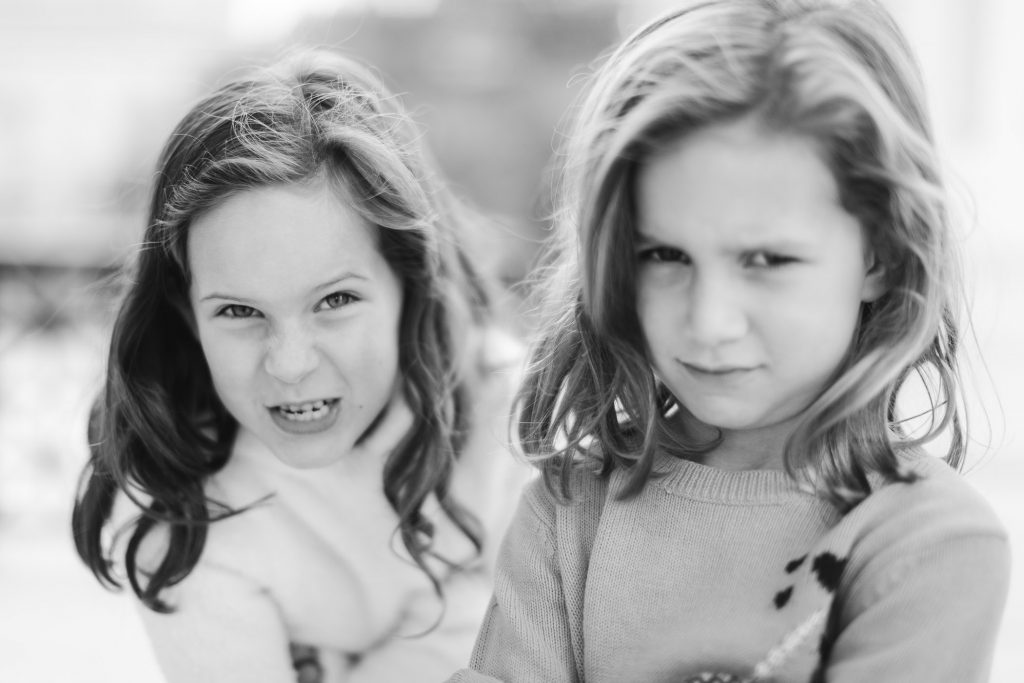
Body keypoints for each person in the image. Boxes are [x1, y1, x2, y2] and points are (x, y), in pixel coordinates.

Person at [451, 1, 1011, 681]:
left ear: (881, 255)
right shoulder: (569, 512)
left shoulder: (930, 544)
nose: (709, 320)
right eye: (664, 254)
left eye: (767, 260)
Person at [72, 48, 528, 683]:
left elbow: (568, 651)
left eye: (334, 300)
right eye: (238, 311)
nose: (288, 365)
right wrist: (466, 628)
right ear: (185, 313)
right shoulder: (183, 520)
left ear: (409, 284)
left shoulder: (506, 413)